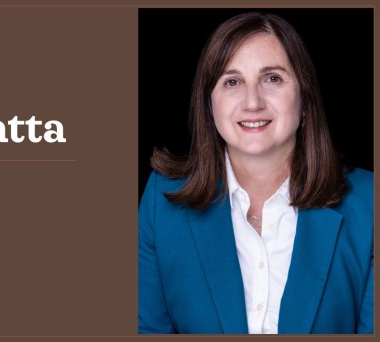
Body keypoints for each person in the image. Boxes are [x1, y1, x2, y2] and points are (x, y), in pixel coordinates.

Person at [138, 12, 373, 334]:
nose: (252, 102)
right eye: (232, 82)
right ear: (209, 103)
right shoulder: (161, 200)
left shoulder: (369, 203)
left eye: (272, 78)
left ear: (305, 98)